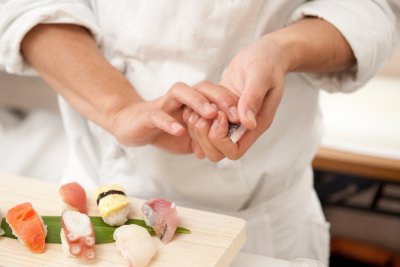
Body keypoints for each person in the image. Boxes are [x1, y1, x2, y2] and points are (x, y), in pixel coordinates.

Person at [0, 1, 399, 264]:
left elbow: (369, 9)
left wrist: (281, 49)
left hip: (261, 229)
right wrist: (120, 108)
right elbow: (30, 6)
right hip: (93, 206)